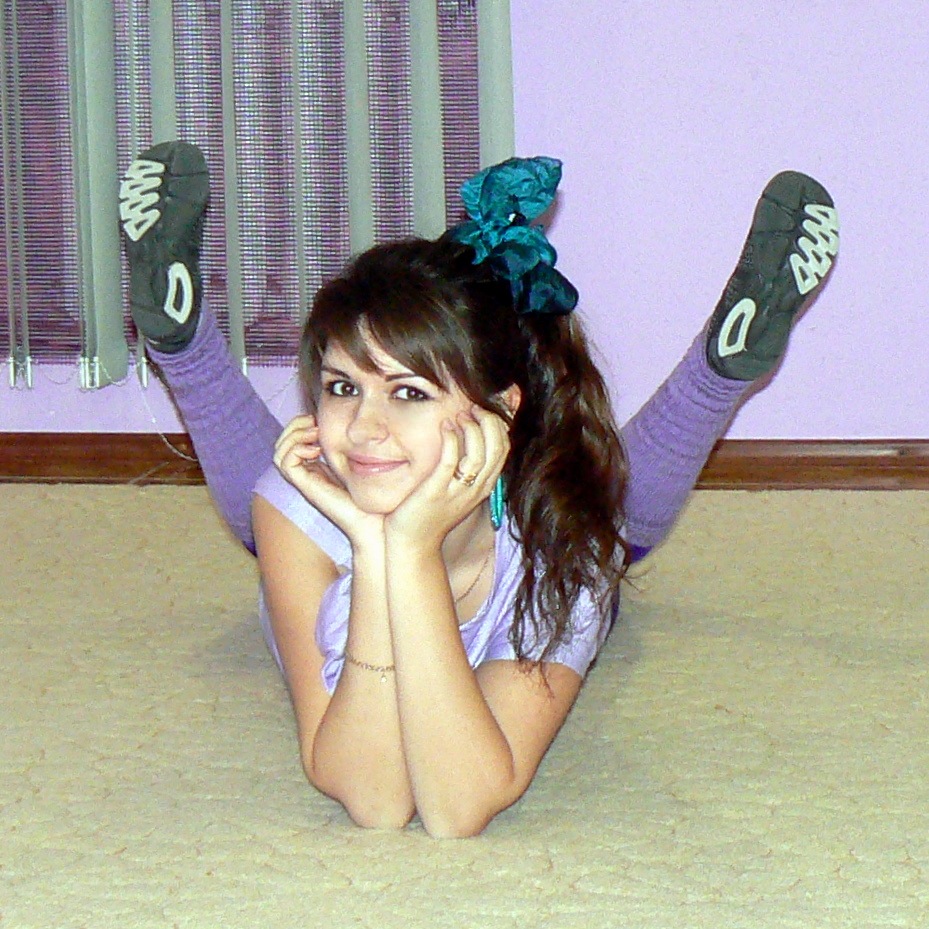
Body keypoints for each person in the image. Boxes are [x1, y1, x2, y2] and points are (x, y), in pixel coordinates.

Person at [118, 142, 839, 837]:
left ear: (499, 410)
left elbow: (457, 808)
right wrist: (378, 548)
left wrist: (407, 548)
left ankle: (716, 372)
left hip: (529, 518)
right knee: (277, 492)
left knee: (608, 515)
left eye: (408, 392)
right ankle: (185, 345)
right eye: (341, 386)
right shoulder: (300, 505)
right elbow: (375, 800)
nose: (364, 426)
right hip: (331, 530)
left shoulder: (565, 547)